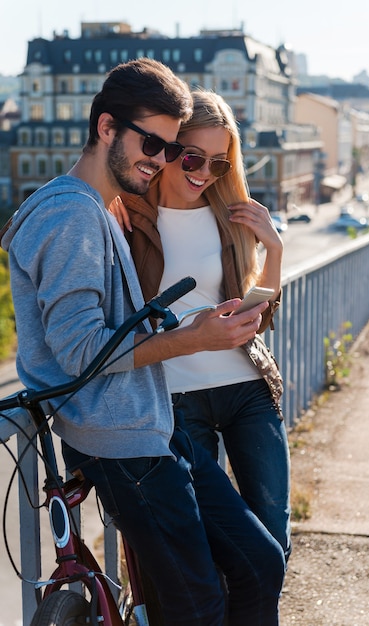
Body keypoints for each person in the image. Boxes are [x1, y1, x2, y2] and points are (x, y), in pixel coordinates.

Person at [1, 59, 285, 626]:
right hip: (119, 440)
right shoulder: (71, 216)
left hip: (151, 425)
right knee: (197, 604)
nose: (158, 161)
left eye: (167, 148)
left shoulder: (95, 208)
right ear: (107, 127)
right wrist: (191, 339)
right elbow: (81, 351)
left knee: (259, 562)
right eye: (150, 143)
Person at [110, 89, 292, 561]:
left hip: (247, 388)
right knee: (209, 546)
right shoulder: (128, 217)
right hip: (175, 399)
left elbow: (258, 314)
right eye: (193, 157)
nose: (204, 173)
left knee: (273, 533)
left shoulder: (228, 217)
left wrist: (273, 250)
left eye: (219, 163)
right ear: (168, 149)